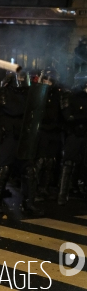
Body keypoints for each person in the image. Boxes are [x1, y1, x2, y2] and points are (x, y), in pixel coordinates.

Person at [0, 71, 43, 216]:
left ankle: (29, 204)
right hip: (9, 136)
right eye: (19, 76)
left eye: (23, 77)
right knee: (5, 168)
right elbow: (13, 110)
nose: (21, 79)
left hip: (24, 136)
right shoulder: (4, 92)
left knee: (28, 170)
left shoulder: (29, 93)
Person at [34, 68, 64, 202]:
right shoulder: (39, 93)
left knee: (50, 162)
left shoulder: (57, 95)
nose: (47, 81)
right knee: (40, 161)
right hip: (43, 131)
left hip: (53, 131)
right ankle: (34, 188)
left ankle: (43, 188)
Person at [58, 71, 87, 205]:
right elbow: (69, 117)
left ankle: (76, 188)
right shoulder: (70, 96)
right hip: (74, 134)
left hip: (84, 134)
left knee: (82, 163)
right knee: (69, 163)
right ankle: (63, 194)